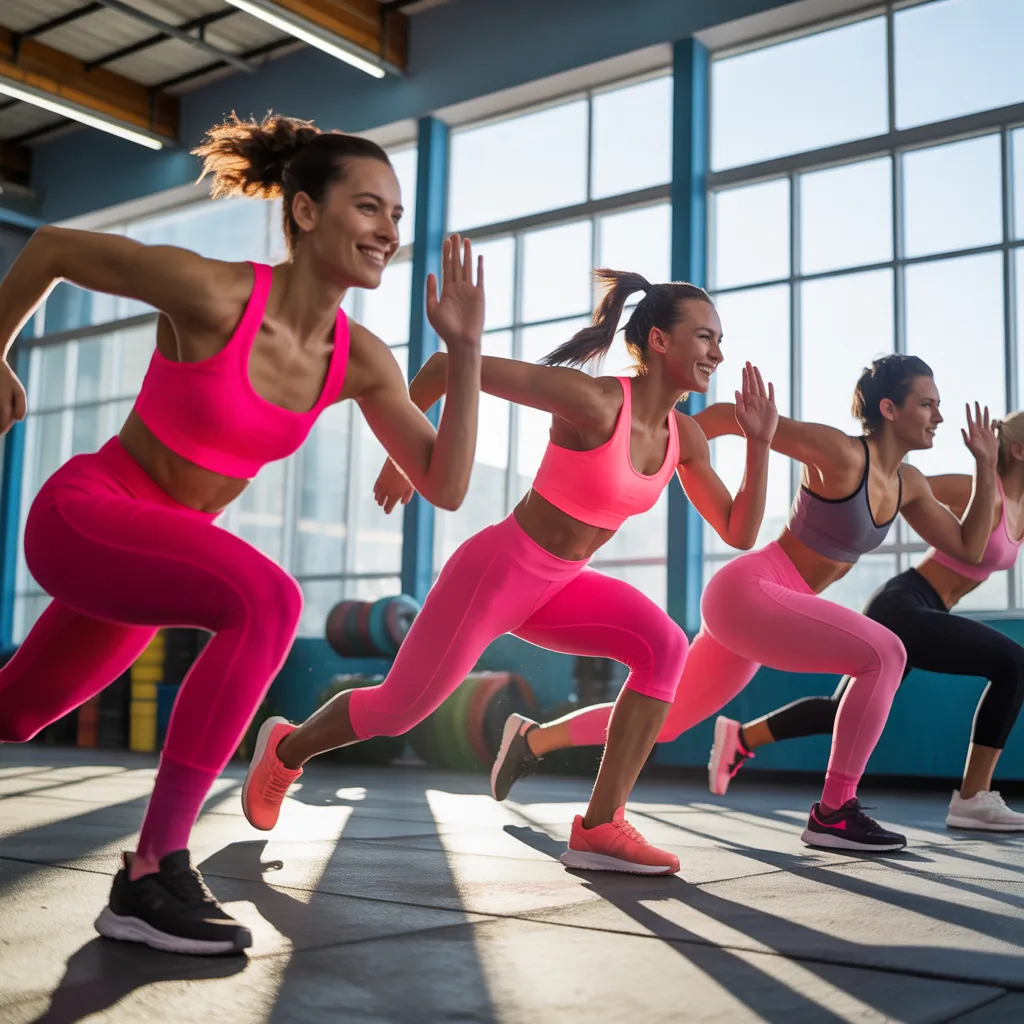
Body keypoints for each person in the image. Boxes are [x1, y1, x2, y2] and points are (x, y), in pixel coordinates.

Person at [0, 112, 485, 955]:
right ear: (304, 212)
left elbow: (442, 484)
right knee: (267, 598)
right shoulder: (214, 292)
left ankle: (149, 869)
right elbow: (51, 248)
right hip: (88, 514)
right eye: (369, 208)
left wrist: (467, 353)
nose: (388, 233)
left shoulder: (359, 359)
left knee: (18, 712)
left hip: (157, 560)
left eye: (397, 217)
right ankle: (150, 873)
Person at [242, 269, 778, 876]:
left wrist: (758, 446)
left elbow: (738, 530)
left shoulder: (684, 437)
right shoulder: (594, 401)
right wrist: (407, 454)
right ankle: (286, 749)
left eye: (719, 340)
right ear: (659, 341)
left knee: (663, 645)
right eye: (705, 337)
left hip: (563, 584)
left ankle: (600, 826)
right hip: (497, 573)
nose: (718, 353)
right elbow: (447, 368)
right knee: (397, 711)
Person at [491, 355, 998, 854]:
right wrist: (673, 448)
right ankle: (834, 812)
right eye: (928, 404)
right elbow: (734, 421)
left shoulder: (910, 485)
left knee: (664, 722)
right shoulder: (840, 452)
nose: (939, 416)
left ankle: (531, 741)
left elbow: (968, 548)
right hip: (749, 592)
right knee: (886, 652)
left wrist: (984, 465)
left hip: (773, 608)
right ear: (889, 409)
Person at [711, 411, 1024, 833]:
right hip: (905, 604)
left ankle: (741, 739)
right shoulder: (973, 487)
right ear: (1019, 451)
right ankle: (972, 797)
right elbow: (896, 489)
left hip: (930, 610)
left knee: (838, 712)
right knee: (1013, 663)